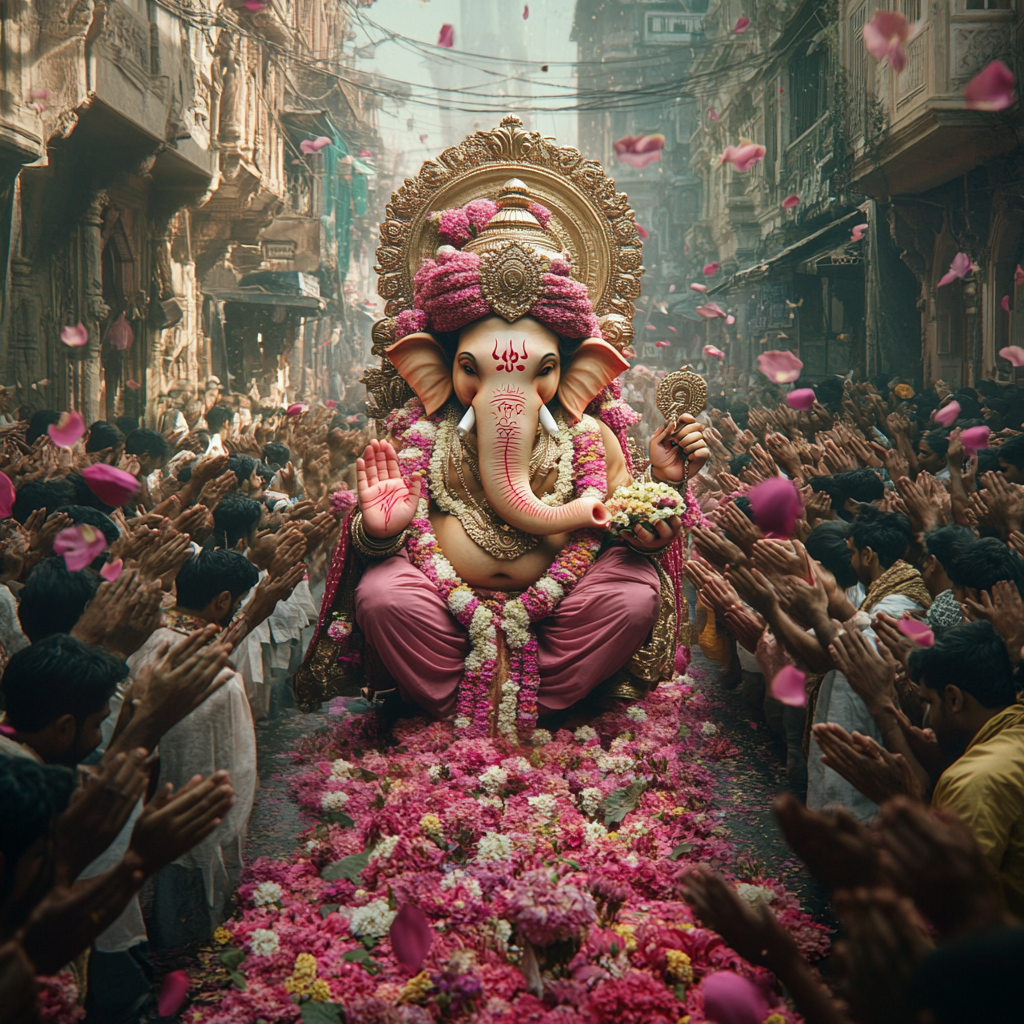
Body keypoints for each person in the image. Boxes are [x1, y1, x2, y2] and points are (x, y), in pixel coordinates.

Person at [126, 550, 259, 949]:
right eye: (237, 602)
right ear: (222, 601)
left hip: (134, 817)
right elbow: (239, 770)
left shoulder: (140, 644)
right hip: (197, 830)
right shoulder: (221, 680)